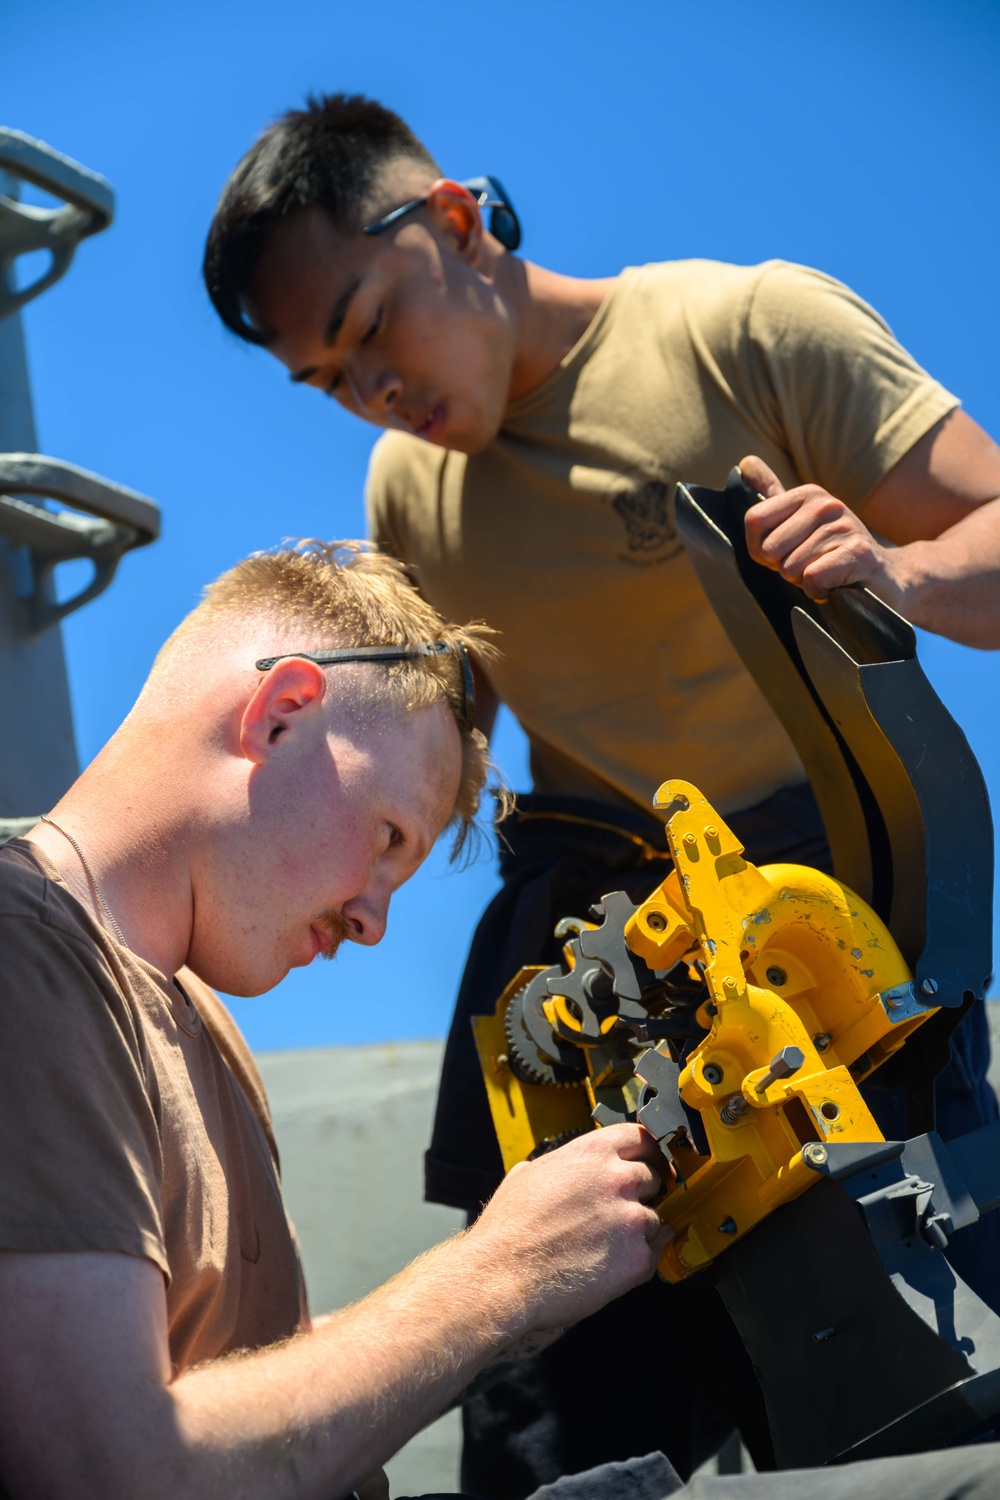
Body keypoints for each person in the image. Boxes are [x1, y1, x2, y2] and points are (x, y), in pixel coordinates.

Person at [201, 96, 1000, 1493]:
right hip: (598, 987)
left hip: (835, 956)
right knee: (557, 1434)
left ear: (455, 219)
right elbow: (439, 749)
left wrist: (898, 574)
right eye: (329, 380)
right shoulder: (412, 493)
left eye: (371, 327)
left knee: (914, 1393)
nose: (371, 396)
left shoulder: (748, 332)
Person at [0, 539, 674, 1500]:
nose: (371, 922)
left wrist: (533, 1287)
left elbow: (239, 1386)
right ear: (281, 716)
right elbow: (108, 1471)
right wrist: (496, 1277)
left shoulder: (202, 1026)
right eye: (389, 837)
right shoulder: (24, 955)